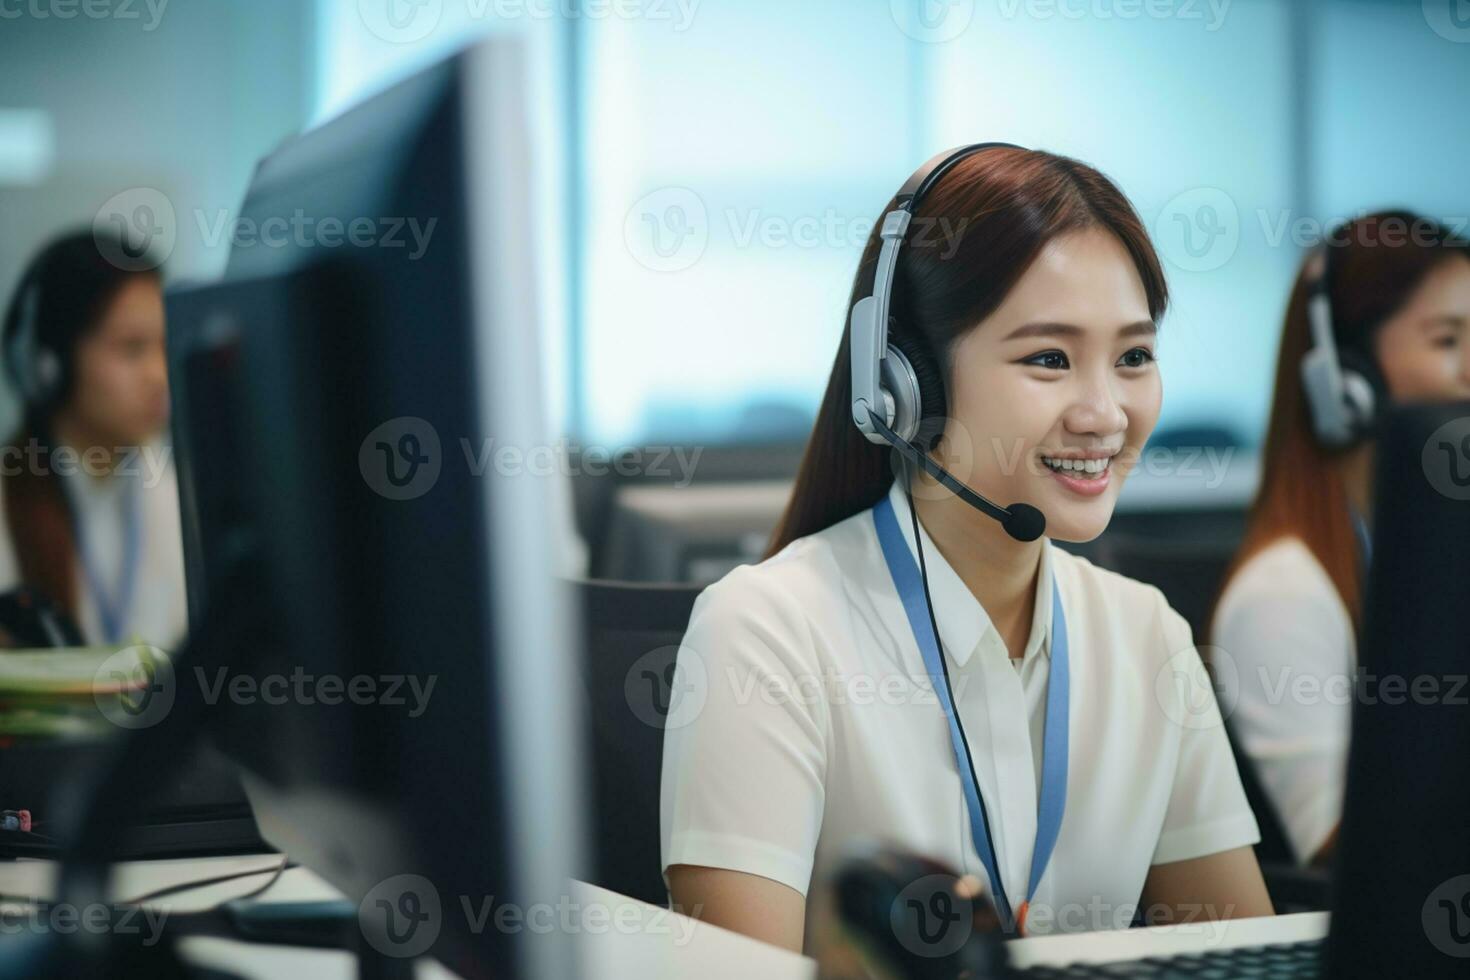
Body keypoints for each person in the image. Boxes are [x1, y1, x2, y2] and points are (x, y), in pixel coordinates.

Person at [659, 144, 1272, 960]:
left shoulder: (1146, 636)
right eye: (1048, 358)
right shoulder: (766, 634)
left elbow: (1242, 955)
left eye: (1134, 356)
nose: (1105, 413)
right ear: (906, 384)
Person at [1209, 212, 1470, 867]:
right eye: (1447, 341)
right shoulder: (1284, 595)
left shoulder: (1432, 563)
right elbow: (1345, 852)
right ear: (1346, 380)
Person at [0, 229, 187, 650]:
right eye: (132, 348)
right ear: (53, 363)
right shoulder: (12, 495)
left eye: (164, 345)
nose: (159, 375)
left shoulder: (175, 493)